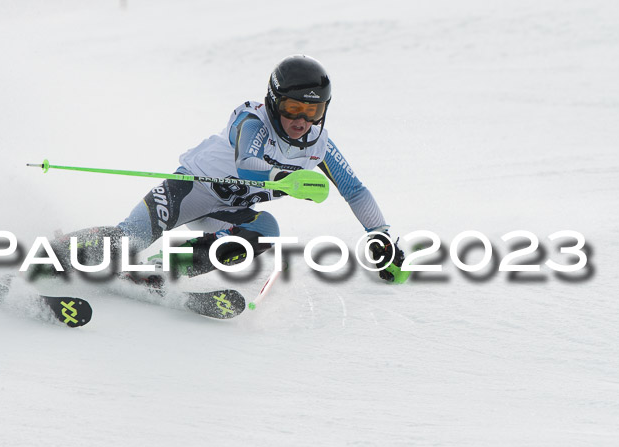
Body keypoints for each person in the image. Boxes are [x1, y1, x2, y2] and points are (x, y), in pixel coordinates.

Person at [48, 55, 406, 282]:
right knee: (130, 239)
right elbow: (247, 166)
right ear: (274, 100)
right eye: (294, 108)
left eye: (313, 112)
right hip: (188, 190)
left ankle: (163, 271)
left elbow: (354, 190)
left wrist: (382, 235)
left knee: (267, 231)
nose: (302, 120)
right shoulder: (252, 120)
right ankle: (58, 249)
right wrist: (287, 178)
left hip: (227, 209)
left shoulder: (320, 145)